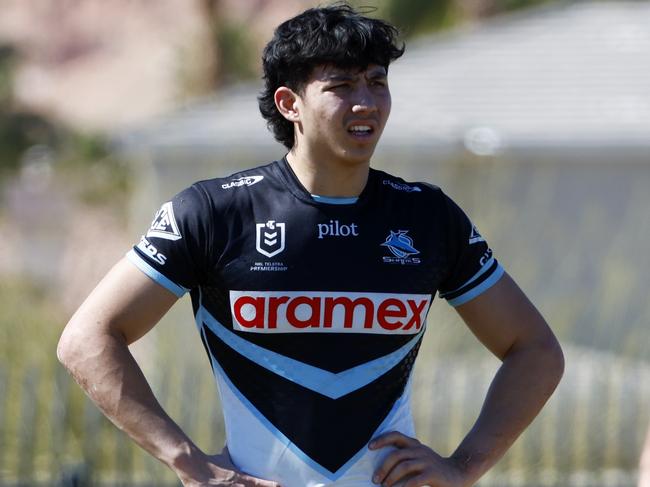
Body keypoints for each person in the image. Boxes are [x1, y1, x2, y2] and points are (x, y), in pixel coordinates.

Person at [57, 4, 564, 487]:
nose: (366, 102)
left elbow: (535, 350)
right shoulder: (214, 212)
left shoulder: (427, 217)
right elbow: (87, 340)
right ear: (289, 103)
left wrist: (463, 467)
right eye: (341, 86)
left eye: (377, 82)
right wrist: (188, 462)